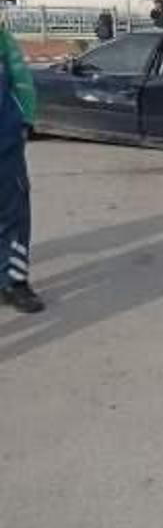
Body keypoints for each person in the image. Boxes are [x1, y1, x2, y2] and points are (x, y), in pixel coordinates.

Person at [0, 26, 43, 313]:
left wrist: (25, 120)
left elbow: (22, 80)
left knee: (13, 215)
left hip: (5, 142)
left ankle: (14, 282)